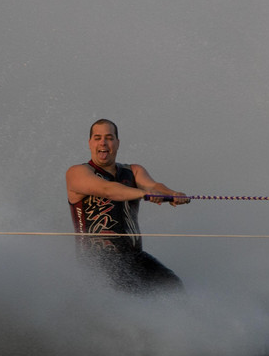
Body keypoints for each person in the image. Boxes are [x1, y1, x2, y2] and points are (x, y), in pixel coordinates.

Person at [66, 119, 190, 293]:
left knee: (173, 286)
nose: (103, 142)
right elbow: (108, 189)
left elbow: (153, 186)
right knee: (130, 293)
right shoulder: (78, 173)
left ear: (117, 143)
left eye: (109, 137)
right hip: (98, 264)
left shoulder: (134, 171)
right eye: (97, 137)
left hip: (135, 258)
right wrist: (144, 194)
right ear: (90, 143)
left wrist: (171, 194)